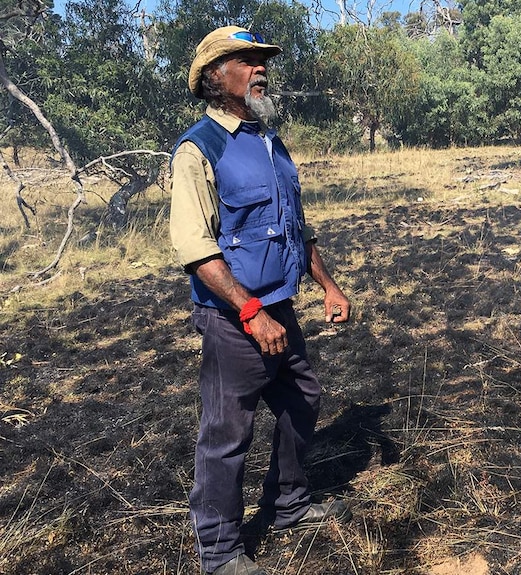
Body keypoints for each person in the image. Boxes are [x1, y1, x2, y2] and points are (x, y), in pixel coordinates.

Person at [169, 26, 352, 575]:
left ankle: (289, 503)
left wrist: (328, 284)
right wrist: (249, 312)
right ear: (213, 78)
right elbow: (194, 246)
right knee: (228, 432)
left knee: (303, 399)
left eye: (260, 61)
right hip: (232, 318)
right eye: (245, 61)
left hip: (279, 308)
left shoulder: (271, 142)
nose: (259, 69)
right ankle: (220, 552)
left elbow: (294, 226)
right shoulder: (198, 148)